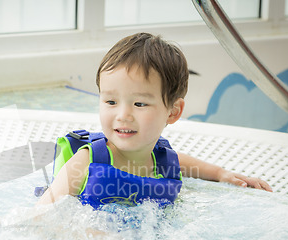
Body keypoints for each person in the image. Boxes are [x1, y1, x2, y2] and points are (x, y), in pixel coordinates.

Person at [37, 32, 271, 208]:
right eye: (111, 102)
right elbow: (40, 216)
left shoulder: (163, 162)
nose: (123, 115)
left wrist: (220, 174)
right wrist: (89, 235)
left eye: (139, 104)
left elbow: (180, 162)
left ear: (173, 112)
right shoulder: (85, 161)